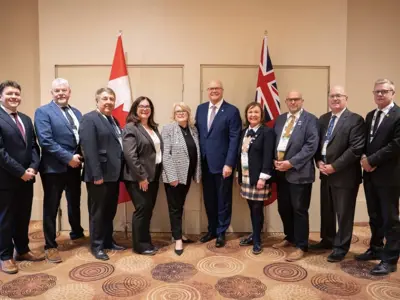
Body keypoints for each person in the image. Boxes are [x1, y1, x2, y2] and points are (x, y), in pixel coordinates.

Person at [34, 78, 85, 263]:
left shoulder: (77, 113)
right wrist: (68, 158)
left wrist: (80, 158)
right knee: (51, 207)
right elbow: (45, 141)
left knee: (74, 202)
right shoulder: (43, 112)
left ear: (69, 92)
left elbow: (81, 139)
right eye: (57, 91)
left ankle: (77, 232)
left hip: (74, 167)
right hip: (53, 168)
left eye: (64, 90)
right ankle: (50, 245)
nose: (61, 93)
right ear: (52, 93)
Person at [312, 85, 365, 262]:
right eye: (332, 96)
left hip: (345, 176)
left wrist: (334, 166)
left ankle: (341, 247)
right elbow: (318, 144)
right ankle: (327, 239)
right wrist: (318, 161)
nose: (335, 99)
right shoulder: (323, 119)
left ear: (346, 98)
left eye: (339, 96)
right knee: (326, 210)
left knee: (344, 214)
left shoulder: (355, 120)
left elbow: (356, 149)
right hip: (325, 173)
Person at [356, 78, 400, 275]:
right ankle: (375, 248)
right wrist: (365, 158)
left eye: (384, 91)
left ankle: (390, 259)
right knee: (374, 215)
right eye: (377, 92)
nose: (380, 94)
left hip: (389, 176)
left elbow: (396, 145)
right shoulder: (371, 115)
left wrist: (371, 160)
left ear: (393, 93)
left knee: (390, 218)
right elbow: (367, 141)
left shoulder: (398, 115)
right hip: (370, 175)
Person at [0, 80, 42, 274]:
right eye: (10, 94)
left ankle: (23, 250)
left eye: (17, 94)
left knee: (23, 216)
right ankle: (5, 256)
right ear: (1, 96)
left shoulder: (25, 118)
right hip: (6, 179)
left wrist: (33, 168)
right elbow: (0, 152)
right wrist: (20, 172)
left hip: (27, 178)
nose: (14, 97)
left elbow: (33, 146)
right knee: (5, 218)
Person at [79, 87, 126, 261]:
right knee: (98, 212)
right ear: (97, 100)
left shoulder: (113, 120)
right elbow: (89, 150)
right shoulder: (89, 119)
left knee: (109, 211)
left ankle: (107, 240)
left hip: (113, 175)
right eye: (105, 98)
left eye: (111, 99)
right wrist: (96, 175)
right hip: (99, 176)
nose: (108, 102)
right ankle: (97, 246)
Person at [272, 91, 319, 261]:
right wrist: (274, 160)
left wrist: (291, 163)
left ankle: (301, 245)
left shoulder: (310, 120)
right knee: (284, 207)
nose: (293, 102)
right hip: (280, 172)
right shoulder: (280, 119)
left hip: (299, 172)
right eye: (290, 99)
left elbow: (311, 146)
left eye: (296, 99)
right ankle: (290, 237)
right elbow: (274, 141)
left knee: (299, 209)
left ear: (302, 101)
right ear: (286, 101)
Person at [195, 80, 241, 248]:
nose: (214, 91)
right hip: (205, 164)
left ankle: (222, 232)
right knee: (209, 199)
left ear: (222, 90)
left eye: (217, 88)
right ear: (207, 91)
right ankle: (212, 229)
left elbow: (234, 139)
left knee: (223, 200)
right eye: (211, 88)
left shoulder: (231, 111)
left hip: (223, 166)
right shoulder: (200, 109)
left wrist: (229, 163)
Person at [123, 96, 163, 255]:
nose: (145, 109)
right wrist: (142, 177)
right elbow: (130, 155)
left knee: (148, 210)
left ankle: (146, 242)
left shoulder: (153, 127)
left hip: (153, 176)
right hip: (138, 178)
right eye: (141, 106)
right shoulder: (131, 128)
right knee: (142, 210)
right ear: (135, 109)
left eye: (148, 106)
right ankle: (140, 246)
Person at [162, 102, 201, 255]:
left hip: (187, 175)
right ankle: (178, 239)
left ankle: (177, 233)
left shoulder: (193, 130)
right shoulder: (168, 129)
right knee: (175, 207)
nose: (180, 113)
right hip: (174, 177)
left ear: (188, 113)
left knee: (180, 205)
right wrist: (172, 177)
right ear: (174, 114)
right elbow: (166, 154)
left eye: (183, 110)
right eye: (177, 111)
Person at [237, 102, 275, 255]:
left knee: (257, 210)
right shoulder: (244, 132)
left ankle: (257, 240)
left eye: (256, 112)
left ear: (261, 115)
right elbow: (240, 155)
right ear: (246, 115)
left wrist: (263, 178)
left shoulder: (267, 132)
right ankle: (254, 234)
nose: (253, 115)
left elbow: (268, 156)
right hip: (246, 177)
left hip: (259, 178)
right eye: (250, 112)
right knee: (251, 208)